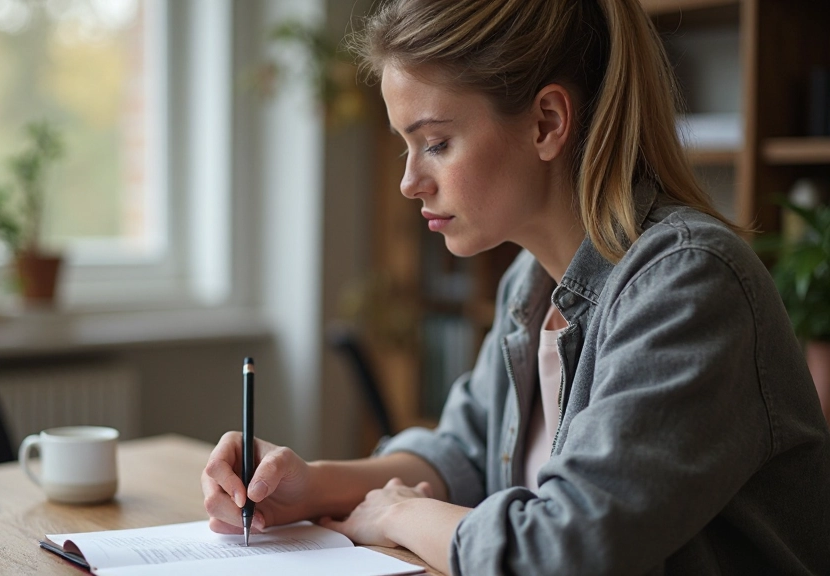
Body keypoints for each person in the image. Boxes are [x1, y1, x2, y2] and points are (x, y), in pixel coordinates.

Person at [201, 0, 830, 573]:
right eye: (406, 147)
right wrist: (312, 484)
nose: (409, 181)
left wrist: (396, 514)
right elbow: (465, 455)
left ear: (547, 122)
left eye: (436, 143)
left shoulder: (690, 284)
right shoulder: (529, 286)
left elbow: (563, 551)